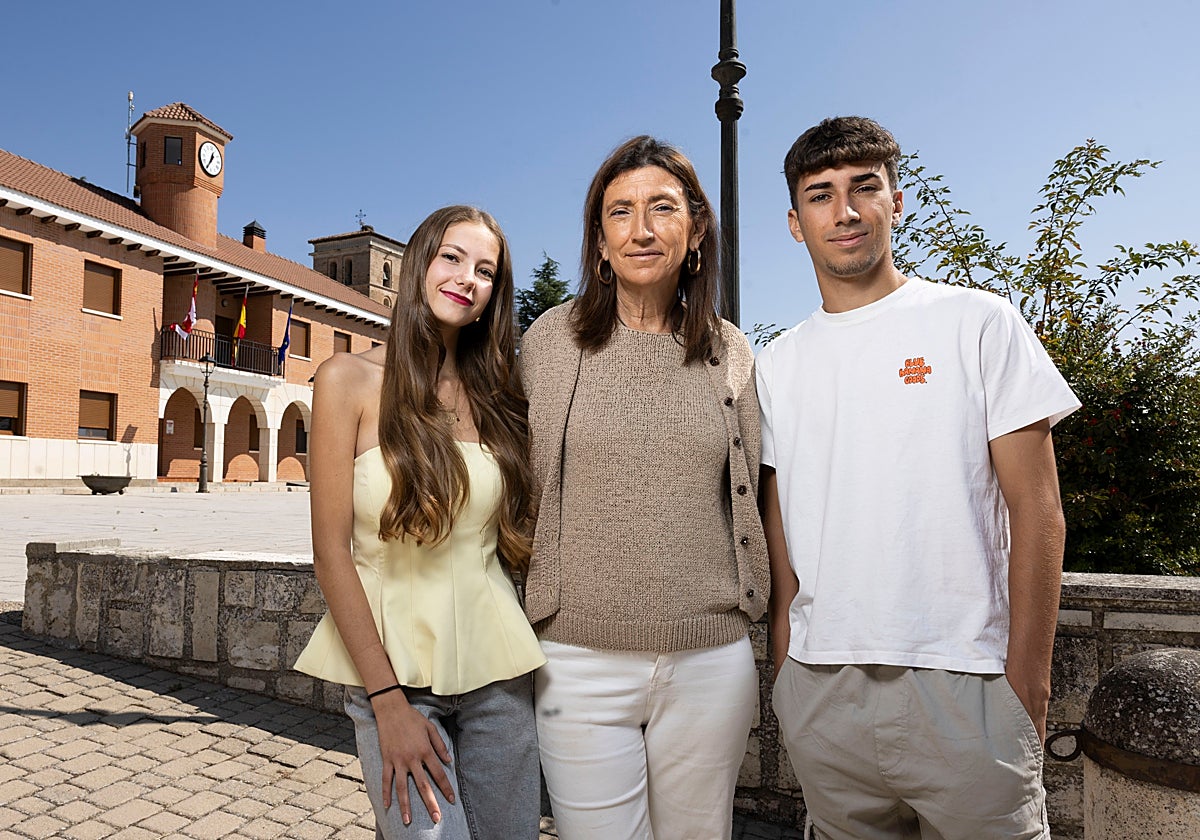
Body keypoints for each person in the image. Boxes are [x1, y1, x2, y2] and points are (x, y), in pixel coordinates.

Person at [757, 115, 1081, 840]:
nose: (844, 211)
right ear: (794, 221)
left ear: (896, 203)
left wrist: (1027, 684)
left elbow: (1039, 511)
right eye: (820, 194)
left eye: (864, 188)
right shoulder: (775, 365)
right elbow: (780, 527)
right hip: (821, 690)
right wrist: (785, 668)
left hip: (966, 685)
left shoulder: (978, 322)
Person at [520, 135, 769, 840]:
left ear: (694, 232)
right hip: (576, 661)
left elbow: (754, 494)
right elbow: (513, 477)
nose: (641, 228)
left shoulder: (731, 351)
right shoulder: (549, 342)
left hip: (710, 662)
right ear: (599, 243)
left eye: (662, 207)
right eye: (619, 212)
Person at [294, 205, 546, 839]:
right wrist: (387, 705)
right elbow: (332, 554)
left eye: (486, 270)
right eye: (452, 257)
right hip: (395, 682)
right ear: (418, 265)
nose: (467, 277)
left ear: (494, 295)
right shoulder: (346, 380)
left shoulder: (500, 398)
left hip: (500, 681)